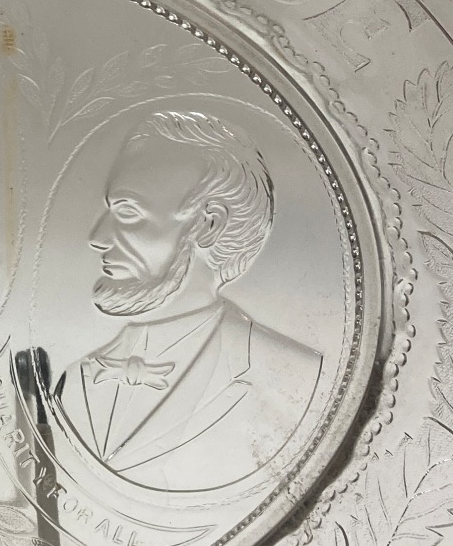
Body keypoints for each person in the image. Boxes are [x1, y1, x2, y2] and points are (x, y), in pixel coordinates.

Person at [56, 111, 321, 492]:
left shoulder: (295, 378)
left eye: (128, 212)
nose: (98, 237)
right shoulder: (73, 379)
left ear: (209, 224)